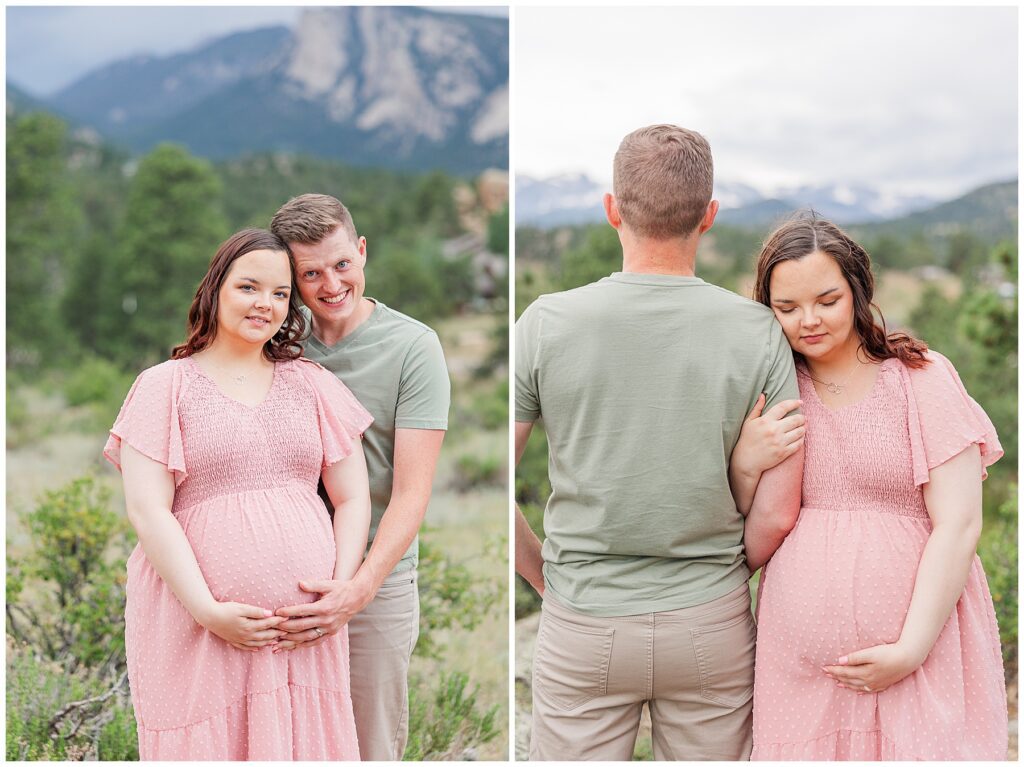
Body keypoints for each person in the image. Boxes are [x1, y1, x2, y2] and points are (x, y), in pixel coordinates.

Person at [514, 124, 805, 761]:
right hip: (711, 622)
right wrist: (719, 581)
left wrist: (548, 579)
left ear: (612, 209)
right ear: (709, 216)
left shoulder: (543, 323)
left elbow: (493, 492)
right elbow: (780, 511)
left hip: (582, 617)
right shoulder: (759, 332)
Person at [733, 216, 1007, 760]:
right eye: (786, 309)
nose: (807, 321)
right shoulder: (773, 394)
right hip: (800, 671)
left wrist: (911, 648)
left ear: (859, 290)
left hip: (920, 654)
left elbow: (959, 524)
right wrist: (745, 462)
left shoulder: (920, 379)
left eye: (827, 300)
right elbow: (741, 519)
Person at [104, 229, 373, 760]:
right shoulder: (165, 385)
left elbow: (352, 498)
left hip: (306, 635)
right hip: (198, 624)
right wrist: (208, 610)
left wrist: (338, 594)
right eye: (249, 287)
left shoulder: (312, 383)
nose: (265, 305)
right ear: (215, 291)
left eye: (279, 294)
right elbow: (147, 509)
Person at [268, 195, 450, 761]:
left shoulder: (413, 348)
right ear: (291, 277)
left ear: (362, 249)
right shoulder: (272, 343)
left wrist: (358, 590)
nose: (330, 284)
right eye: (311, 274)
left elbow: (411, 492)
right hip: (285, 583)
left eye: (342, 264)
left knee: (368, 746)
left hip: (377, 582)